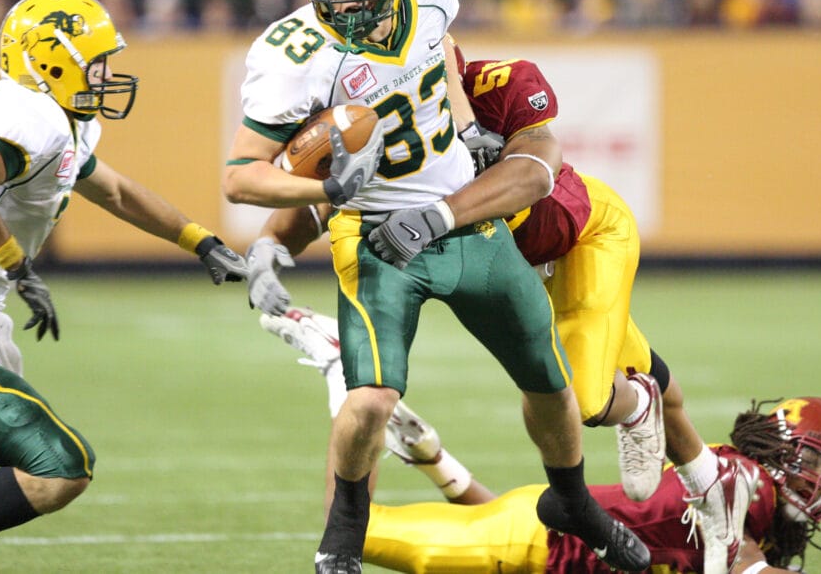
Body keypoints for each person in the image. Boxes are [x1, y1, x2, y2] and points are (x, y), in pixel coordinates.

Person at [223, 0, 649, 574]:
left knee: (550, 379)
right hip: (378, 238)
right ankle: (342, 535)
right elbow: (243, 176)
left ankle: (570, 499)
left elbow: (442, 45)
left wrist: (459, 113)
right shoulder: (292, 53)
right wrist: (313, 205)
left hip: (464, 220)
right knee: (369, 399)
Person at [250, 50, 750, 570]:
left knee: (581, 397)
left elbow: (535, 174)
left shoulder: (498, 84)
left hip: (582, 238)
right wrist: (267, 243)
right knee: (637, 372)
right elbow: (322, 200)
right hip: (525, 263)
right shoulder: (389, 126)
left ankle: (634, 404)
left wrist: (441, 209)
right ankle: (711, 485)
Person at [260, 311, 821, 574]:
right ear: (781, 448)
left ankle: (404, 429)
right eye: (820, 464)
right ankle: (348, 370)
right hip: (535, 541)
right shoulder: (742, 484)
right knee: (348, 532)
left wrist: (439, 463)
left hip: (543, 539)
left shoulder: (762, 526)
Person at [0, 0, 247, 552]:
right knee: (59, 464)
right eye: (96, 62)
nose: (108, 74)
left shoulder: (64, 121)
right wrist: (17, 266)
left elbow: (115, 191)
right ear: (52, 60)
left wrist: (198, 240)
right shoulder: (28, 112)